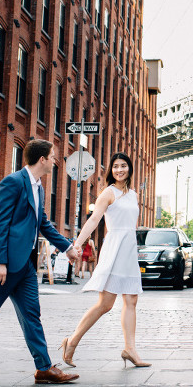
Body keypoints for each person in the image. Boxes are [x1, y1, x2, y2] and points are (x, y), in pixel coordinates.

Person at [0, 139, 80, 386]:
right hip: (5, 264)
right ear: (42, 159)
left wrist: (67, 247)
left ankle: (43, 367)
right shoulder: (12, 182)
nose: (55, 161)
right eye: (53, 157)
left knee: (32, 315)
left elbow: (43, 223)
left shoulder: (39, 187)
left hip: (25, 266)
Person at [62, 152, 150, 369]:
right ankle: (71, 341)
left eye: (123, 166)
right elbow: (93, 220)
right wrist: (77, 244)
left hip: (129, 249)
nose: (119, 170)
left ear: (129, 168)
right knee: (105, 304)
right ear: (111, 170)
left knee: (131, 301)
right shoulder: (108, 193)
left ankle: (130, 349)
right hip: (114, 249)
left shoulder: (133, 195)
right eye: (115, 167)